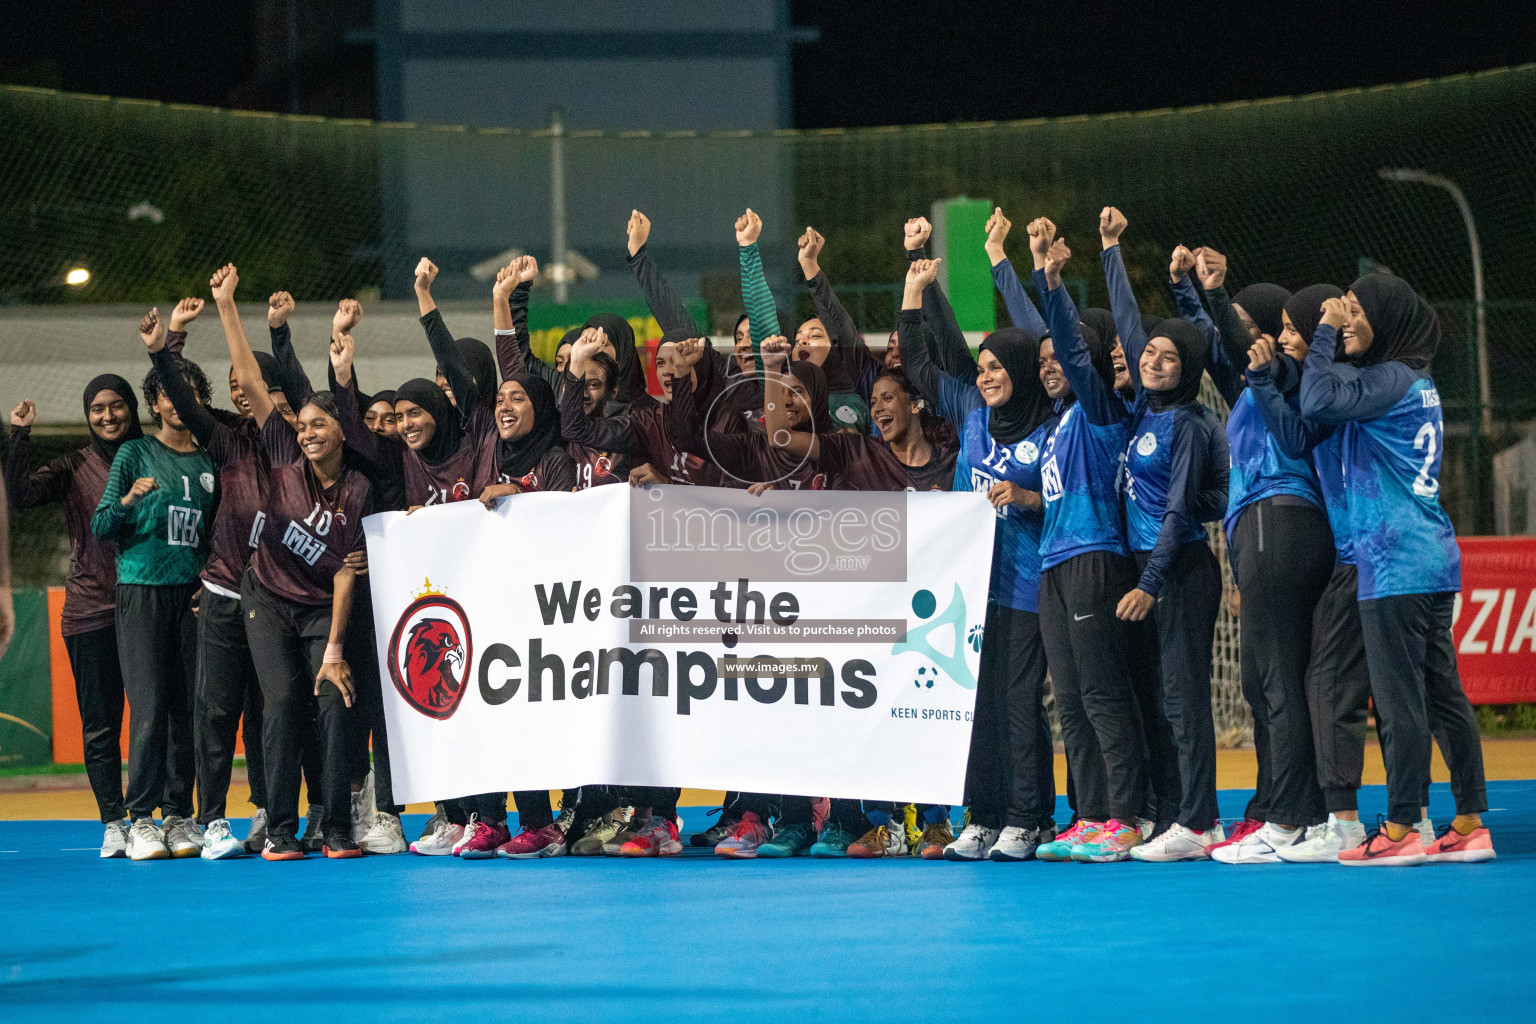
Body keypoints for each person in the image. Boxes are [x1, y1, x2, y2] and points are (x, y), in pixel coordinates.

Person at [1300, 275, 1494, 865]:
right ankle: (1468, 821)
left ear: (1388, 319)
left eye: (1358, 310)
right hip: (1429, 555)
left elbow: (1315, 400)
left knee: (1399, 699)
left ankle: (1405, 826)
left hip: (1392, 562)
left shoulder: (1389, 380)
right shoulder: (1416, 382)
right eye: (1345, 309)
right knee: (1441, 694)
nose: (1347, 317)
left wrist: (1324, 330)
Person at [208, 263, 375, 861]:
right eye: (302, 424)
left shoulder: (356, 490)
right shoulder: (280, 449)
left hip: (321, 611)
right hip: (268, 598)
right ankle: (280, 827)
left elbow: (344, 571)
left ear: (339, 431)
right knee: (281, 703)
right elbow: (252, 382)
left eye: (318, 424)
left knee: (334, 699)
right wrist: (228, 304)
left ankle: (332, 826)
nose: (305, 432)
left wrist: (333, 649)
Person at [899, 257, 1058, 861]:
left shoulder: (1051, 431)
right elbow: (918, 363)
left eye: (998, 368)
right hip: (971, 588)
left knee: (1018, 701)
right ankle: (984, 815)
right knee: (976, 702)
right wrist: (914, 290)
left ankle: (1028, 817)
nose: (989, 377)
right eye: (983, 367)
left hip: (1027, 583)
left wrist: (1026, 497)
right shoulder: (971, 416)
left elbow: (1073, 500)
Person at [1095, 213, 1231, 862]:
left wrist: (1149, 584)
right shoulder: (1145, 410)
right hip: (1147, 567)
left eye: (1167, 356)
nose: (1150, 357)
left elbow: (1179, 512)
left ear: (1187, 370)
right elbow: (1128, 324)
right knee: (1157, 698)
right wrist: (1111, 250)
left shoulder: (1190, 423)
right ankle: (1173, 812)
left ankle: (1200, 821)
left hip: (1176, 571)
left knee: (1184, 698)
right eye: (1149, 351)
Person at [1024, 218, 1146, 864]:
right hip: (1053, 562)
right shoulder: (1060, 419)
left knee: (1102, 694)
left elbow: (1074, 351)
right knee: (1070, 700)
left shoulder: (1102, 408)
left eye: (1059, 358)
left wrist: (1053, 280)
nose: (1050, 367)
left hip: (1096, 557)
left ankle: (1125, 816)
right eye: (1040, 362)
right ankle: (1090, 814)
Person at [136, 301, 274, 859]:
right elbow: (185, 402)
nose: (243, 392)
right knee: (215, 710)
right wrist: (166, 345)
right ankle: (212, 820)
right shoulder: (224, 440)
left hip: (278, 596)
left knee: (274, 709)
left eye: (255, 384)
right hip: (221, 593)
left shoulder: (296, 444)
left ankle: (275, 811)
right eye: (237, 387)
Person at [90, 334, 218, 861]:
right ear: (156, 402)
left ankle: (178, 815)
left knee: (188, 708)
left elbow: (217, 536)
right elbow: (101, 524)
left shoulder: (211, 461)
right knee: (147, 708)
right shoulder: (135, 452)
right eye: (168, 390)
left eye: (188, 390)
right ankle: (138, 817)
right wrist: (125, 501)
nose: (176, 399)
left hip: (191, 598)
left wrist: (208, 583)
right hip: (141, 591)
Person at [7, 373, 143, 856]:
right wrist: (19, 435)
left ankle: (160, 817)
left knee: (160, 718)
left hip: (150, 607)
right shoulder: (72, 466)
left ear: (132, 407)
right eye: (98, 409)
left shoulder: (156, 457)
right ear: (88, 415)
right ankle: (114, 821)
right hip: (91, 612)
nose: (108, 416)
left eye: (117, 405)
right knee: (102, 724)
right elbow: (21, 496)